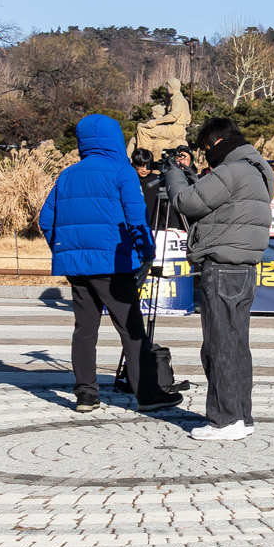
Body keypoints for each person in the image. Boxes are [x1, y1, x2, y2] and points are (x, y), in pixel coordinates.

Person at [38, 114, 169, 414]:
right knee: (131, 329)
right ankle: (147, 394)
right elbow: (136, 219)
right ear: (114, 138)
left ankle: (85, 395)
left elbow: (46, 220)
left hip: (77, 267)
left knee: (85, 330)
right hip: (114, 264)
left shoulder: (68, 174)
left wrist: (65, 250)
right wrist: (146, 252)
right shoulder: (122, 172)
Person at [161, 117, 274, 442]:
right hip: (244, 268)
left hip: (222, 266)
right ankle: (241, 416)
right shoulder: (257, 169)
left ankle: (224, 420)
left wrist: (173, 175)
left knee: (218, 345)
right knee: (237, 344)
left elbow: (186, 202)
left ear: (216, 143)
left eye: (206, 149)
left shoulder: (232, 169)